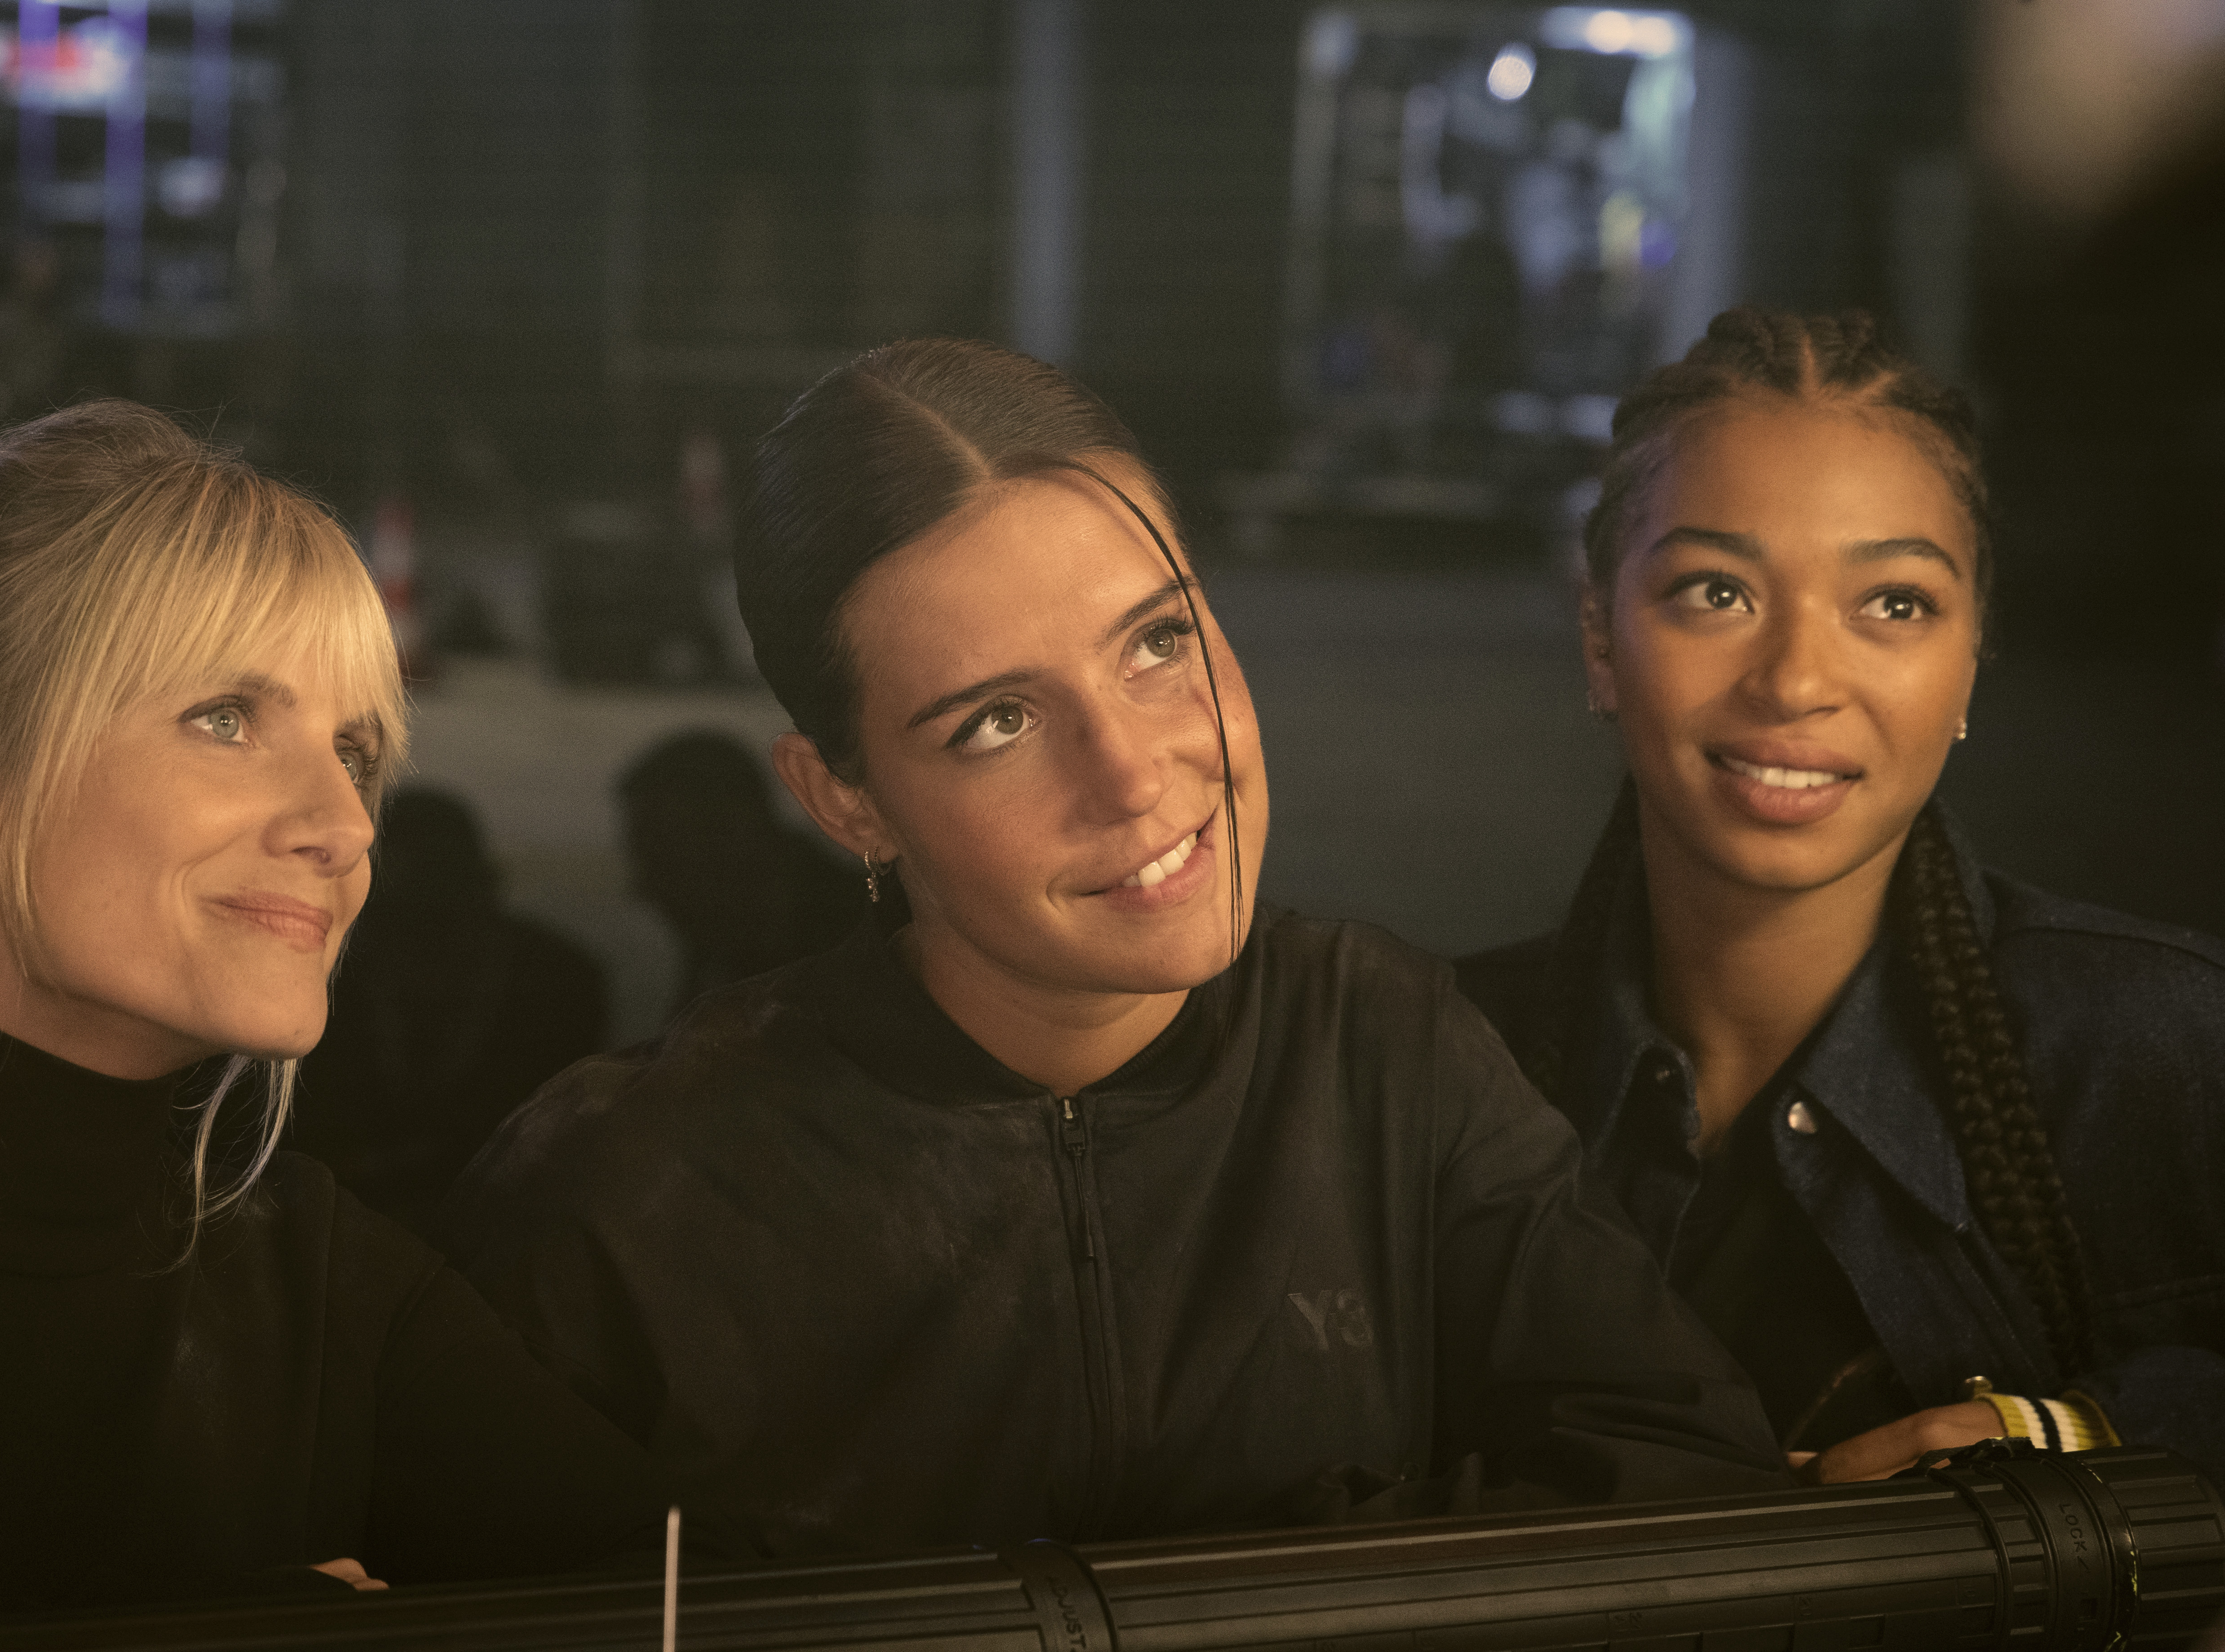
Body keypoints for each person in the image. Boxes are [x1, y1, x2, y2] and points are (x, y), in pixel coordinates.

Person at [441, 337, 1788, 1560]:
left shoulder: (1378, 1044)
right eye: (995, 723)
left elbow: (1681, 1469)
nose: (1133, 775)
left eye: (1156, 643)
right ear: (843, 799)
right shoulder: (627, 1197)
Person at [0, 404, 668, 1626]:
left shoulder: (343, 1301)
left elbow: (691, 1613)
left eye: (353, 751)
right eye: (225, 719)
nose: (343, 825)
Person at [1453, 309, 2225, 1489]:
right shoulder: (1440, 1067)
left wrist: (2088, 1438)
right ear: (1600, 636)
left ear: (1970, 664)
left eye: (1895, 604)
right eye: (1717, 592)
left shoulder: (2158, 1044)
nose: (1799, 682)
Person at [289, 786, 609, 1234]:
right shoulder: (328, 989)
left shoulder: (553, 985)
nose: (419, 942)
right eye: (399, 920)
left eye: (432, 914)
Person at [617, 728, 864, 1018]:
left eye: (661, 859)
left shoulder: (856, 944)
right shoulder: (741, 937)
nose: (644, 888)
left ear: (730, 838)